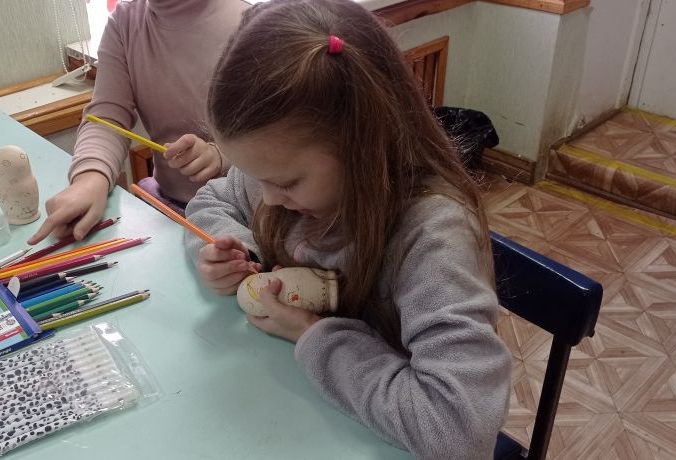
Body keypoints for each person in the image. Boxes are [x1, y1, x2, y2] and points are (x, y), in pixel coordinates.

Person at [184, 0, 512, 457]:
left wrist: (312, 334)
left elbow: (459, 429)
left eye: (286, 183)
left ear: (363, 144)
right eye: (259, 178)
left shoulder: (432, 235)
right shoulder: (281, 166)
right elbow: (211, 200)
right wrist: (238, 251)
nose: (269, 198)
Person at [29, 0, 252, 245]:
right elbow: (108, 117)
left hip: (243, 214)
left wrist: (223, 156)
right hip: (169, 208)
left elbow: (272, 138)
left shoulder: (249, 23)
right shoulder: (124, 23)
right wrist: (90, 178)